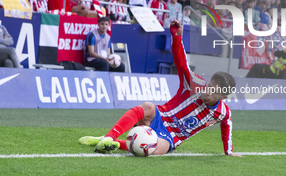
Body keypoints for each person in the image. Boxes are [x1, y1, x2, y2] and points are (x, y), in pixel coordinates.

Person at [78, 20, 241, 157]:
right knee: (148, 106)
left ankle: (110, 143)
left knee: (152, 149)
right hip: (159, 116)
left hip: (171, 137)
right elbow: (181, 62)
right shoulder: (194, 85)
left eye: (214, 92)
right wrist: (177, 37)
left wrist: (229, 150)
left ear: (223, 97)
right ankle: (109, 136)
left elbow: (227, 123)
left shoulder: (223, 112)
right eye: (210, 86)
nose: (208, 92)